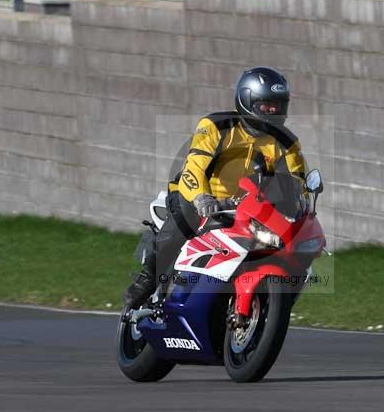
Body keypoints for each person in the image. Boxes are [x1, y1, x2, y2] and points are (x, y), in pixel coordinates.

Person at [123, 66, 307, 311]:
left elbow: (296, 184)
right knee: (186, 218)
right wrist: (202, 198)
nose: (273, 111)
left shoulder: (288, 143)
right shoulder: (216, 125)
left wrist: (300, 208)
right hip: (198, 196)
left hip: (247, 210)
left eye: (278, 105)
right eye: (266, 105)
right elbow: (194, 166)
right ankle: (148, 279)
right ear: (247, 100)